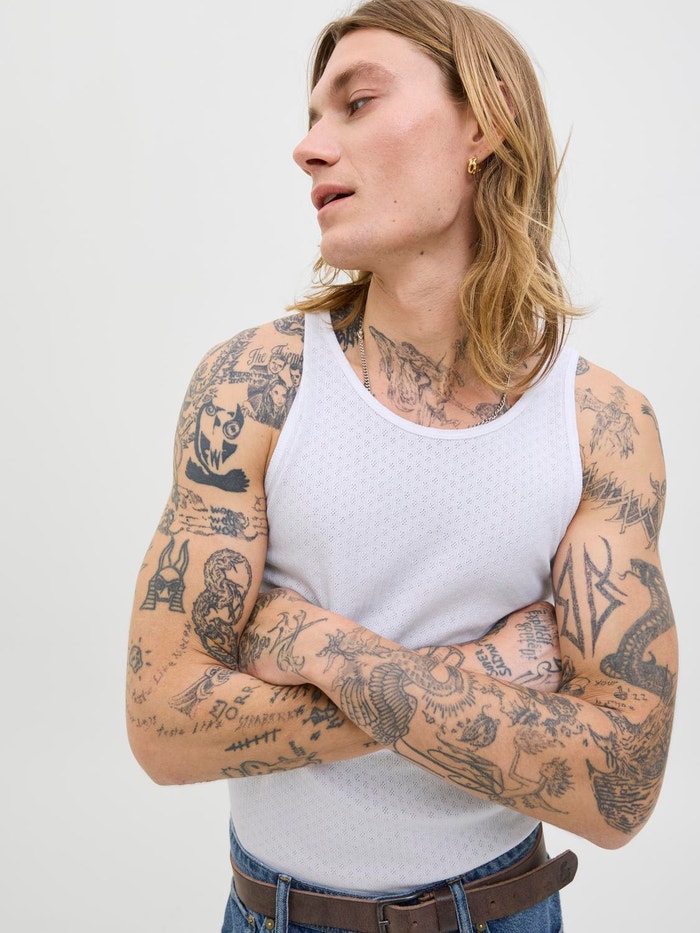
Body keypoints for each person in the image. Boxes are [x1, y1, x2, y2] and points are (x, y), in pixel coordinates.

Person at [125, 1, 678, 930]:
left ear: (483, 125)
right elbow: (163, 724)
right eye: (312, 118)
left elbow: (619, 782)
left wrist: (311, 643)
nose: (309, 148)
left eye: (358, 103)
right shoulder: (255, 385)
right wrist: (491, 670)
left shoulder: (601, 424)